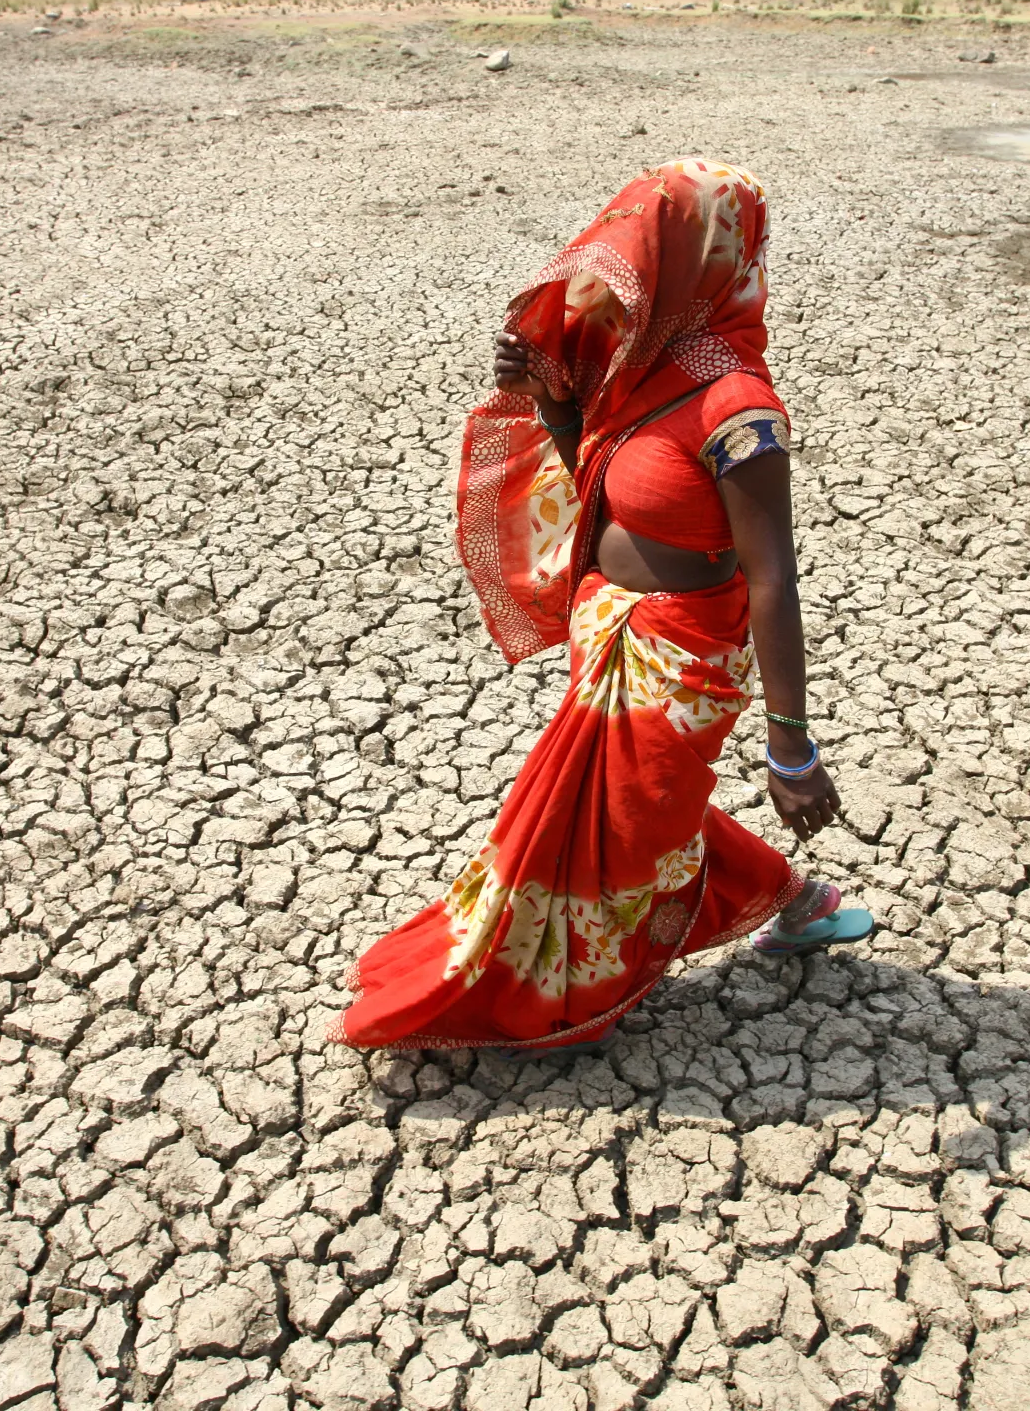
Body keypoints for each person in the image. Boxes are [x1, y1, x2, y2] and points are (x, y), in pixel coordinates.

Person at [335, 160, 872, 1056]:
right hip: (609, 630)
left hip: (680, 651)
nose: (627, 274)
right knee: (628, 805)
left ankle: (552, 990)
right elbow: (595, 478)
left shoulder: (738, 406)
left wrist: (792, 747)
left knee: (621, 820)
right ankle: (797, 900)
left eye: (650, 255)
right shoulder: (643, 368)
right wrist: (551, 397)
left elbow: (774, 579)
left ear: (699, 264)